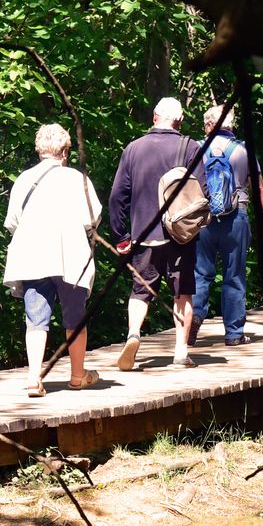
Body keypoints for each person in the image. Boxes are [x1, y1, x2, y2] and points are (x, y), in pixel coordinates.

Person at [3, 123, 103, 397]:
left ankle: (35, 378)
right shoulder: (75, 179)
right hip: (69, 255)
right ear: (65, 151)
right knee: (75, 316)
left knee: (35, 319)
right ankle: (77, 375)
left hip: (33, 255)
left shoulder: (23, 179)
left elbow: (12, 222)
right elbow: (91, 218)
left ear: (39, 150)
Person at [109, 97, 206, 370]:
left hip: (143, 234)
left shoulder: (133, 149)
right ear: (180, 121)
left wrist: (121, 235)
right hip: (181, 235)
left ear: (154, 116)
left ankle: (133, 335)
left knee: (140, 291)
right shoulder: (191, 147)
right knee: (183, 292)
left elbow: (118, 196)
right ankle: (180, 351)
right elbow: (202, 194)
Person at [191, 105, 263, 347]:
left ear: (208, 126)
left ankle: (193, 318)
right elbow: (259, 188)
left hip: (203, 220)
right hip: (236, 219)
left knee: (201, 274)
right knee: (234, 275)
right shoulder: (244, 150)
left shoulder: (195, 149)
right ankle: (234, 333)